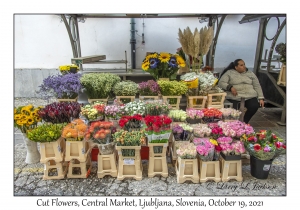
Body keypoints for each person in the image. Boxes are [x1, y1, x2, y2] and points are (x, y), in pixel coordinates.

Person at [218, 59, 264, 124]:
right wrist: (230, 87)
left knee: (254, 106)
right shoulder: (229, 73)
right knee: (234, 111)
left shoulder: (250, 73)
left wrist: (261, 98)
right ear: (236, 67)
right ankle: (233, 124)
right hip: (235, 96)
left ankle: (244, 122)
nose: (244, 66)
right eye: (241, 65)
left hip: (249, 96)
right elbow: (221, 83)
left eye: (244, 64)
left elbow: (257, 85)